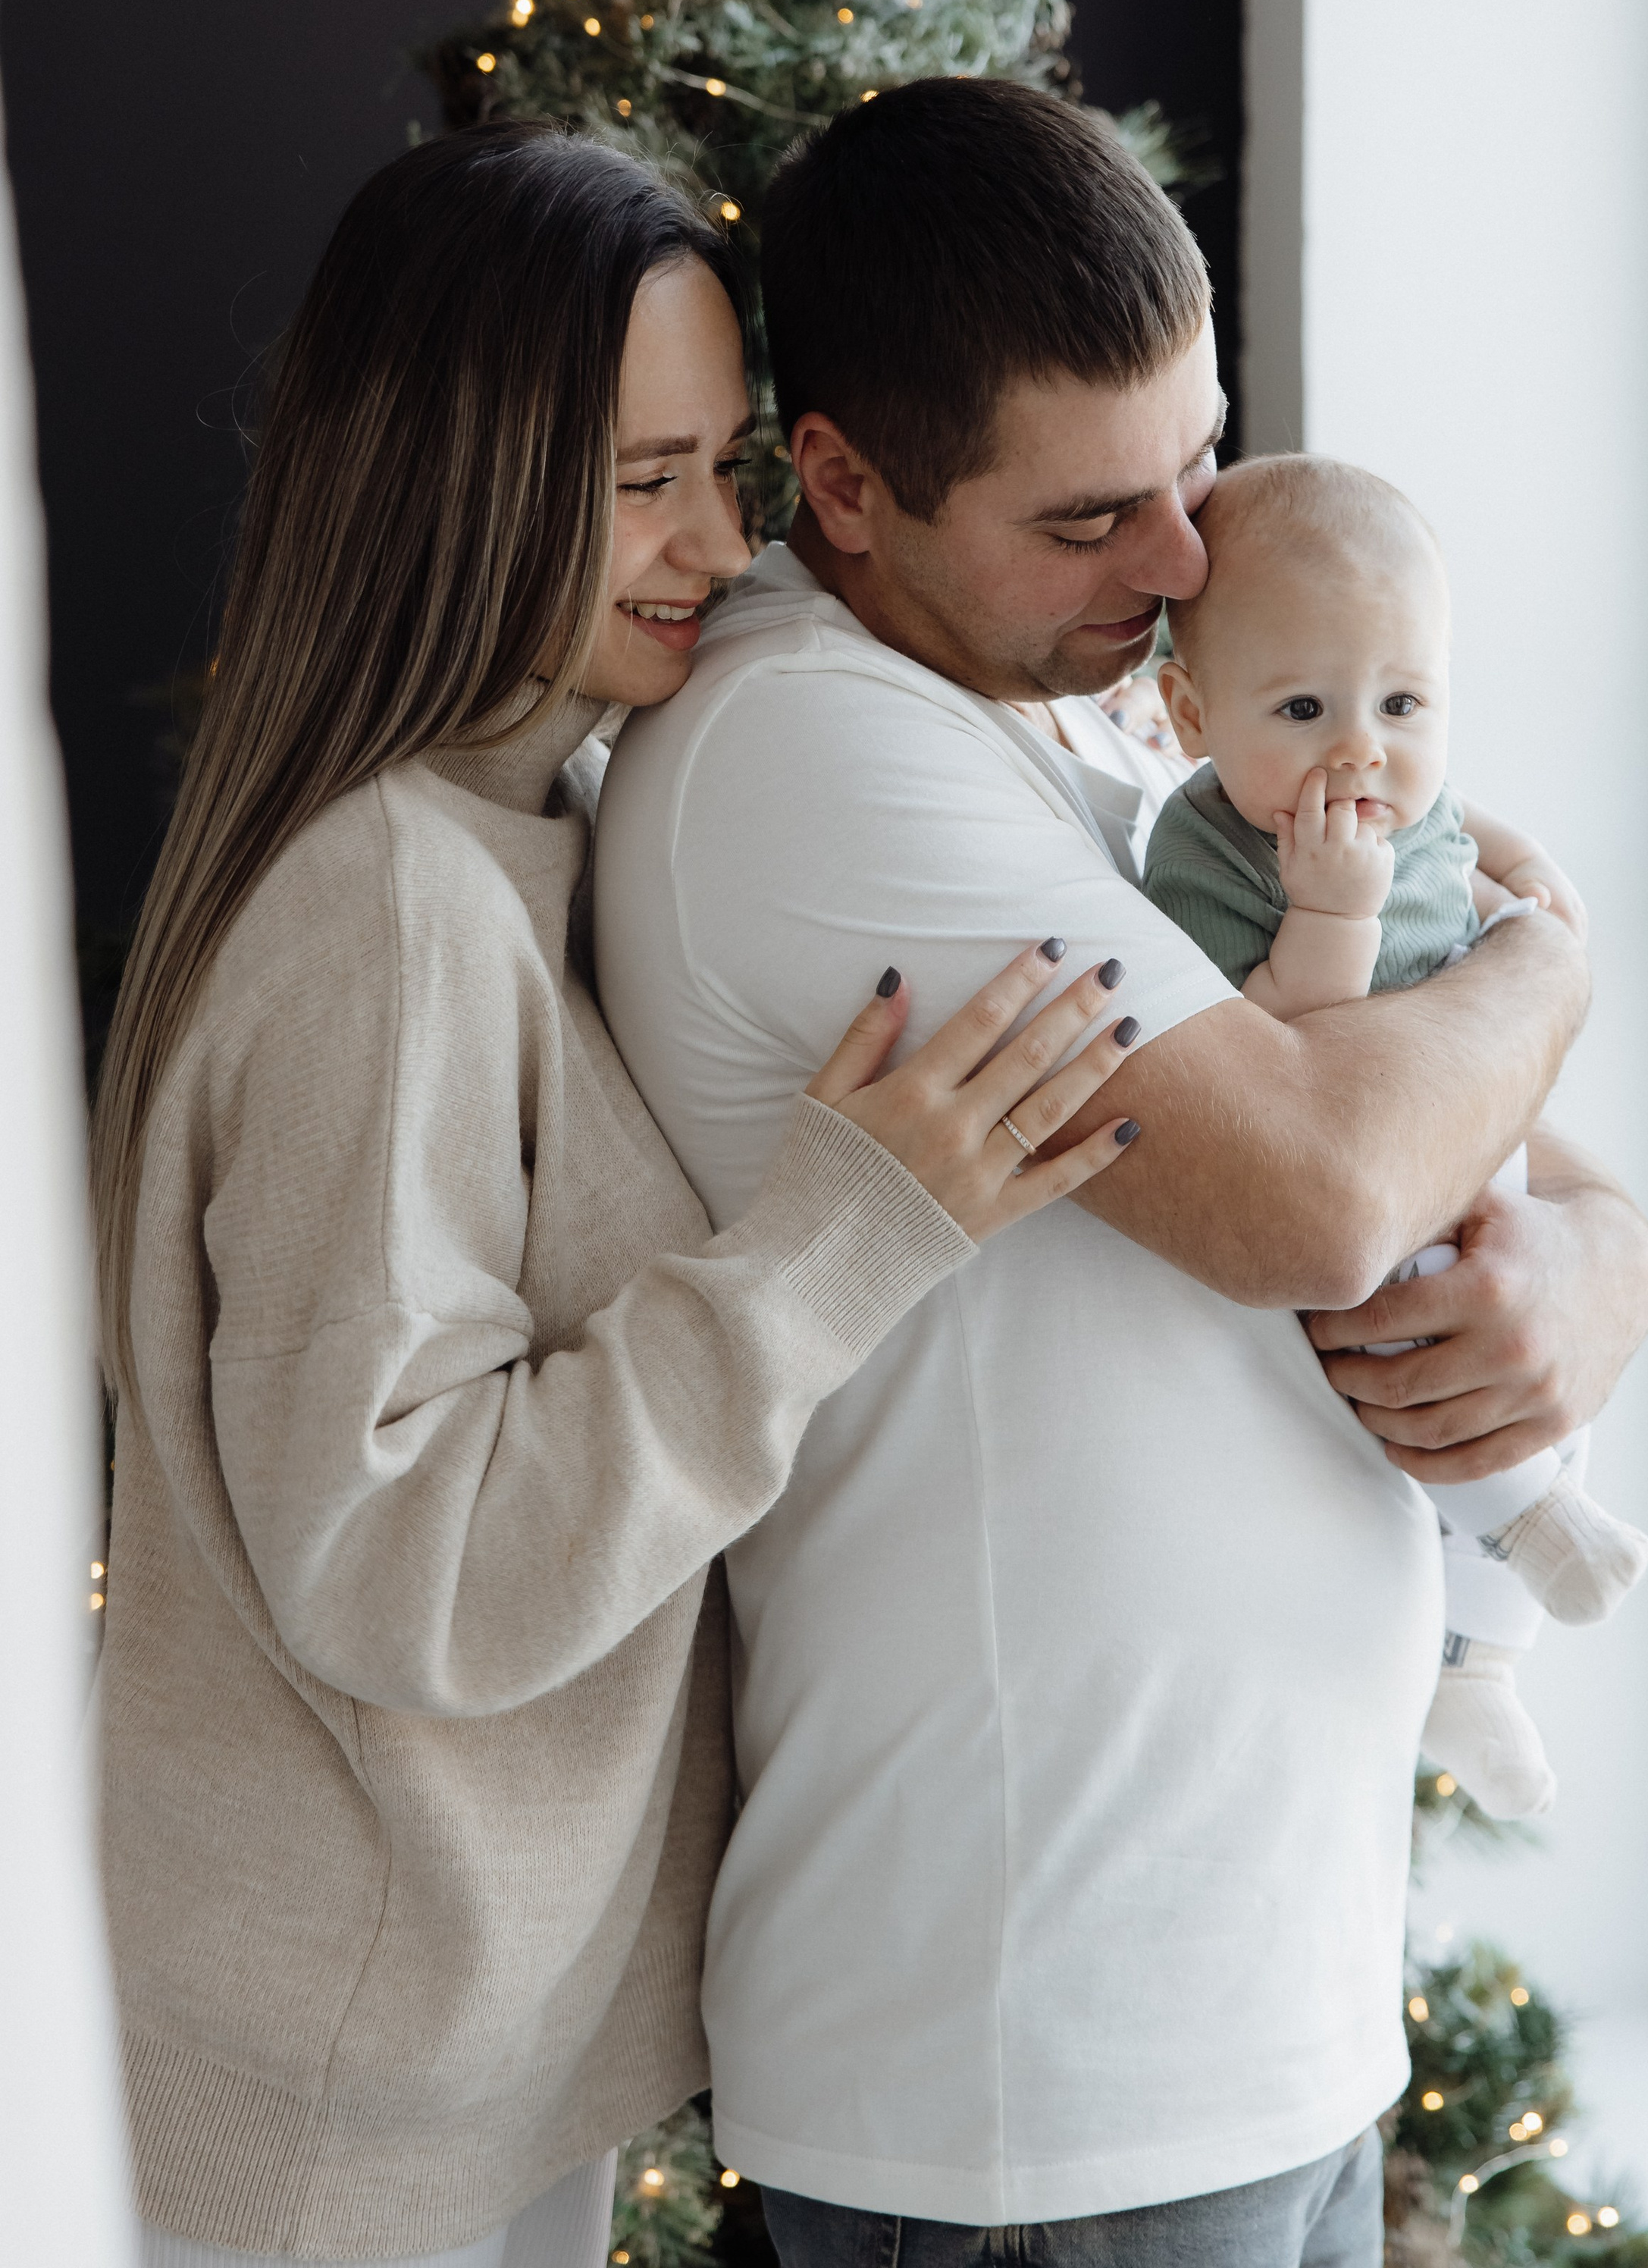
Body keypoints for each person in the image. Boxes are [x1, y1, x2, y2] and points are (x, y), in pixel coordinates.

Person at [593, 78, 1648, 2267]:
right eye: (1093, 519)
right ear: (848, 486)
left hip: (1264, 1996)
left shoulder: (1099, 697)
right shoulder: (821, 747)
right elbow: (1327, 1185)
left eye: (1196, 466)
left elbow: (1494, 1142)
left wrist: (1596, 1270)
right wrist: (1562, 957)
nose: (1184, 563)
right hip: (1032, 2070)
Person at [90, 120, 1141, 2268]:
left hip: (450, 2044)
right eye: (643, 475)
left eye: (731, 467)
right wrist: (840, 1243)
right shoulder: (388, 911)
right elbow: (407, 1560)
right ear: (462, 474)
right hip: (338, 2101)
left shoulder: (536, 812)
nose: (716, 538)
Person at [1143, 449, 1648, 1823]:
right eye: (1302, 706)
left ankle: (1484, 1663)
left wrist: (1528, 876)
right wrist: (1333, 913)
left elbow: (1454, 819)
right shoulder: (1213, 856)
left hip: (1480, 1155)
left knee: (1537, 1361)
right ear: (1192, 712)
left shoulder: (1392, 793)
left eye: (1404, 701)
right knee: (1435, 1353)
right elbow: (1275, 1047)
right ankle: (1525, 1541)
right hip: (1378, 1189)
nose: (1361, 748)